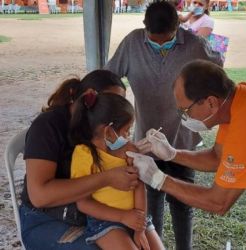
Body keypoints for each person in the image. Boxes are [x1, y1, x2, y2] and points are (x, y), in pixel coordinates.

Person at [104, 2, 222, 249]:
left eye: (165, 41)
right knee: (150, 203)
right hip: (147, 141)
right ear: (144, 27)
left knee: (183, 204)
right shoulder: (133, 43)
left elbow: (218, 70)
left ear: (178, 27)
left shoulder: (194, 45)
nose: (159, 45)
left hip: (183, 141)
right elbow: (109, 77)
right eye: (153, 40)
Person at [128, 59, 246, 216]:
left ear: (211, 103)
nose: (183, 117)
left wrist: (157, 178)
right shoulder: (242, 98)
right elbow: (218, 157)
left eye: (185, 111)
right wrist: (172, 154)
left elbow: (218, 202)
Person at [20, 70, 139, 250]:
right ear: (88, 98)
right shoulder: (47, 127)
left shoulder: (102, 131)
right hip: (44, 219)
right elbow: (40, 196)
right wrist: (107, 177)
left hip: (93, 214)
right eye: (109, 104)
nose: (115, 111)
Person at [70, 92, 164, 250]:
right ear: (108, 131)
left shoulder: (129, 150)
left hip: (137, 216)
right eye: (126, 131)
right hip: (106, 221)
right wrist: (123, 216)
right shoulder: (84, 155)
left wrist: (139, 228)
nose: (128, 136)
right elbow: (83, 203)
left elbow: (140, 186)